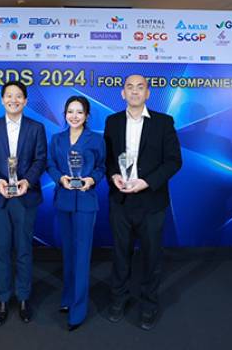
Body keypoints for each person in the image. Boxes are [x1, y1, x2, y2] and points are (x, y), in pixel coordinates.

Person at [104, 74, 182, 331]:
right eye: (130, 87)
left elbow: (174, 161)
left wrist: (147, 182)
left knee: (151, 256)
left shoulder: (164, 122)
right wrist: (113, 175)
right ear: (122, 93)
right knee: (120, 254)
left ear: (148, 93)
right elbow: (107, 159)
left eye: (140, 87)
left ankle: (149, 303)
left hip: (151, 201)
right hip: (121, 200)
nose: (135, 91)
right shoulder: (112, 121)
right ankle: (118, 299)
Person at [0, 81, 47, 326]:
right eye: (9, 96)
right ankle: (3, 299)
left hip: (25, 197)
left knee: (24, 249)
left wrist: (27, 181)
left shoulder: (36, 128)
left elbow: (41, 159)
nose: (14, 100)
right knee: (2, 249)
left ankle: (24, 297)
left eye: (19, 96)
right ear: (2, 100)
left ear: (25, 101)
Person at [47, 95, 106, 331]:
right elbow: (50, 164)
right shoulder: (57, 139)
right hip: (64, 200)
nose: (74, 116)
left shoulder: (96, 139)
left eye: (79, 112)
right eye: (70, 111)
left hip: (86, 202)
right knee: (68, 253)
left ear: (87, 116)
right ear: (64, 114)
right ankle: (68, 297)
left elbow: (102, 166)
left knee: (82, 256)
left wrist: (92, 179)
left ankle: (78, 310)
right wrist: (60, 178)